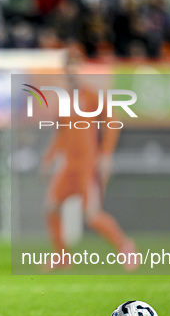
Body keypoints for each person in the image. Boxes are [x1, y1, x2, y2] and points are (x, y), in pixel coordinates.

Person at [40, 69, 137, 270]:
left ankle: (125, 246)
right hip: (68, 165)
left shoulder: (91, 96)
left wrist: (106, 154)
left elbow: (112, 122)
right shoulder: (64, 101)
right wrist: (50, 157)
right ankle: (62, 256)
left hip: (87, 166)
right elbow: (62, 133)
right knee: (51, 208)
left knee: (91, 215)